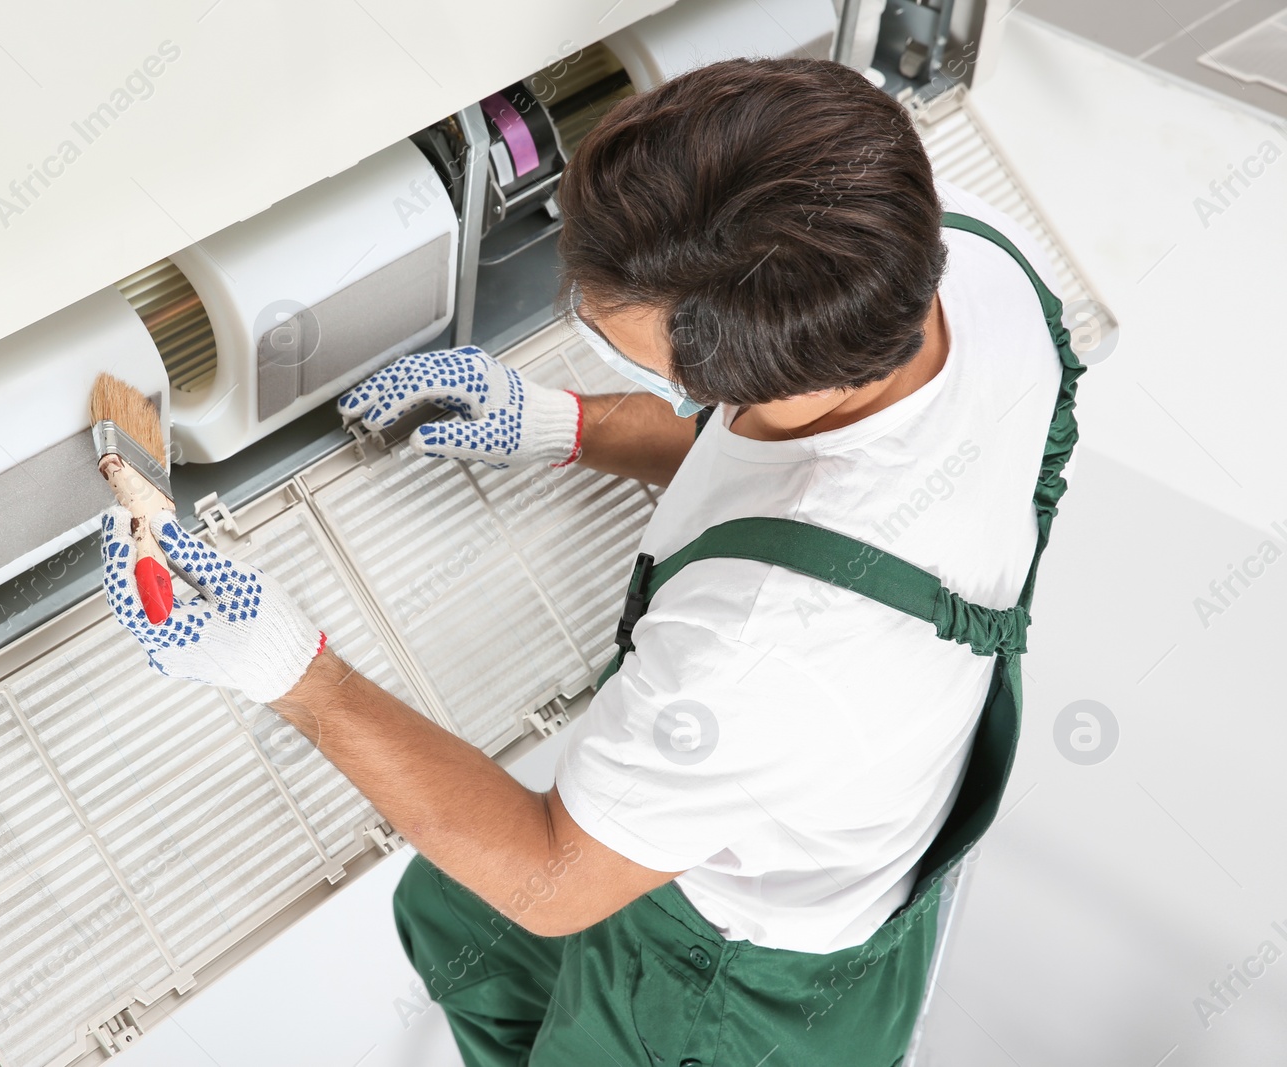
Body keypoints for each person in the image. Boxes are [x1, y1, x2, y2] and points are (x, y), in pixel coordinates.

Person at [101, 56, 1083, 1066]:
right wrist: (568, 423)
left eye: (609, 337)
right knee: (453, 916)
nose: (579, 314)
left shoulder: (758, 646)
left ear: (744, 379)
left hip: (731, 994)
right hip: (826, 785)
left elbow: (553, 877)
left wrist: (290, 674)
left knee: (511, 900)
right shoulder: (941, 247)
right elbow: (809, 463)